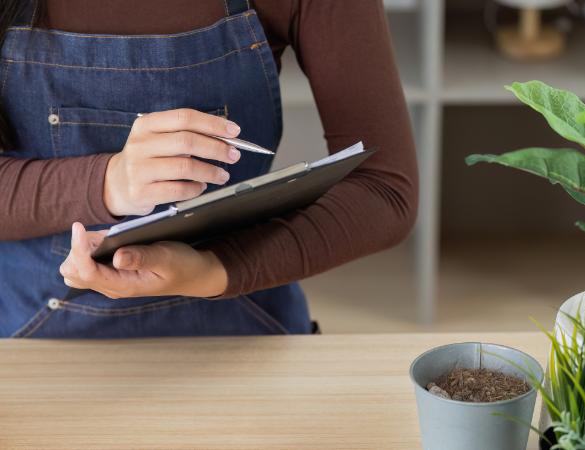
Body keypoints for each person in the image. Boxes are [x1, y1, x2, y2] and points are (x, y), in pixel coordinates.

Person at [0, 0, 418, 338]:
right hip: (30, 343)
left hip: (245, 325)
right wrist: (109, 182)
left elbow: (384, 189)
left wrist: (211, 271)